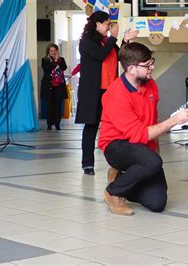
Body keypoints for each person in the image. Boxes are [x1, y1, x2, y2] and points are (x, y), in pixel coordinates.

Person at [99, 42, 188, 216]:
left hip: (141, 147)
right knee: (152, 161)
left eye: (152, 62)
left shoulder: (150, 85)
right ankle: (113, 192)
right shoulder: (116, 95)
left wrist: (154, 151)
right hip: (117, 146)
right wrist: (174, 120)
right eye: (147, 65)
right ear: (131, 69)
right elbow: (139, 134)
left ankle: (119, 179)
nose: (153, 67)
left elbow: (152, 121)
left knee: (157, 203)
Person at [75, 11, 136, 175]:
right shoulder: (86, 42)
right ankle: (87, 163)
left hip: (111, 91)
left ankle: (120, 163)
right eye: (107, 24)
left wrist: (125, 40)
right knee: (91, 126)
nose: (110, 27)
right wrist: (113, 37)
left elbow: (120, 55)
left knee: (117, 126)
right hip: (93, 91)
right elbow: (100, 55)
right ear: (97, 24)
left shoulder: (106, 41)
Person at [40, 43, 68, 130]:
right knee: (50, 106)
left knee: (58, 106)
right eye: (51, 50)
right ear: (48, 51)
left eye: (55, 50)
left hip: (59, 86)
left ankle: (57, 124)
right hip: (49, 86)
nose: (53, 52)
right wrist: (55, 62)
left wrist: (57, 60)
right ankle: (49, 124)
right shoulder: (45, 59)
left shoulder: (61, 59)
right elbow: (46, 68)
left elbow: (64, 67)